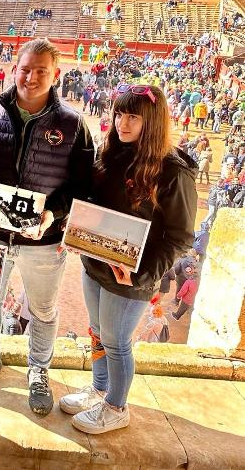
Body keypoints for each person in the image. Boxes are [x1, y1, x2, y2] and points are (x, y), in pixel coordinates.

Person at [0, 38, 95, 417]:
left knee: (43, 309)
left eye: (41, 71)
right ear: (13, 69)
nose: (31, 77)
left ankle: (38, 371)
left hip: (44, 239)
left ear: (55, 75)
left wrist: (53, 212)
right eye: (25, 68)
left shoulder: (72, 125)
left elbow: (81, 186)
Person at [59, 84, 196, 434]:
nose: (123, 122)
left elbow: (180, 237)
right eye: (120, 113)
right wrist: (75, 232)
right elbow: (92, 205)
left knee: (118, 342)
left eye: (133, 116)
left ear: (151, 121)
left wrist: (143, 275)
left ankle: (117, 407)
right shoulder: (112, 153)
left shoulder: (173, 171)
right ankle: (100, 389)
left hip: (131, 278)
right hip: (95, 265)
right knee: (98, 332)